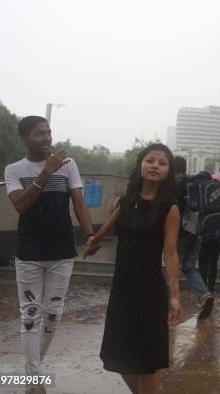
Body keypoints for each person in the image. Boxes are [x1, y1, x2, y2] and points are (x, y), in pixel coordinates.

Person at [84, 144, 182, 394]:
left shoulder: (169, 208)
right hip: (122, 290)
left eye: (162, 163)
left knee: (145, 362)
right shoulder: (127, 201)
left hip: (149, 291)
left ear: (168, 172)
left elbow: (170, 252)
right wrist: (94, 242)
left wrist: (175, 295)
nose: (155, 166)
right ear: (140, 165)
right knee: (119, 354)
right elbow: (109, 225)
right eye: (150, 160)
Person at [4, 116, 96, 383]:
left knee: (54, 315)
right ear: (24, 137)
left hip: (62, 252)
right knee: (31, 314)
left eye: (48, 132)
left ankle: (33, 366)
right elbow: (20, 205)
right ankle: (34, 376)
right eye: (39, 133)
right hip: (29, 253)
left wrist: (90, 234)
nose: (46, 138)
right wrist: (46, 172)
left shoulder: (68, 166)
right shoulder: (14, 170)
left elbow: (79, 203)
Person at [173, 157, 214, 319]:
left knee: (169, 266)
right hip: (198, 230)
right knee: (189, 266)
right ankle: (204, 295)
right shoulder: (195, 182)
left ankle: (167, 300)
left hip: (181, 231)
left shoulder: (176, 184)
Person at [197, 171, 220, 293]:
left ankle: (203, 291)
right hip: (219, 230)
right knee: (213, 260)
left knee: (202, 260)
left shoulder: (200, 192)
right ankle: (211, 288)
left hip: (203, 230)